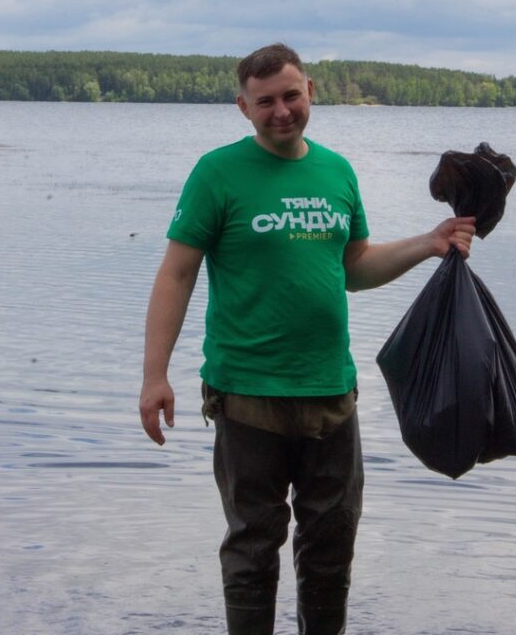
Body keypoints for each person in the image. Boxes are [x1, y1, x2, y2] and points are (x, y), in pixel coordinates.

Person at [139, 43, 475, 635]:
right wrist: (154, 375)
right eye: (264, 101)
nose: (281, 111)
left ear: (311, 92)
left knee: (331, 544)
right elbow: (177, 273)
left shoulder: (337, 171)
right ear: (242, 107)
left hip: (331, 392)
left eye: (291, 96)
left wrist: (429, 242)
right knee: (251, 548)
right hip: (247, 393)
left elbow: (354, 267)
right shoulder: (217, 173)